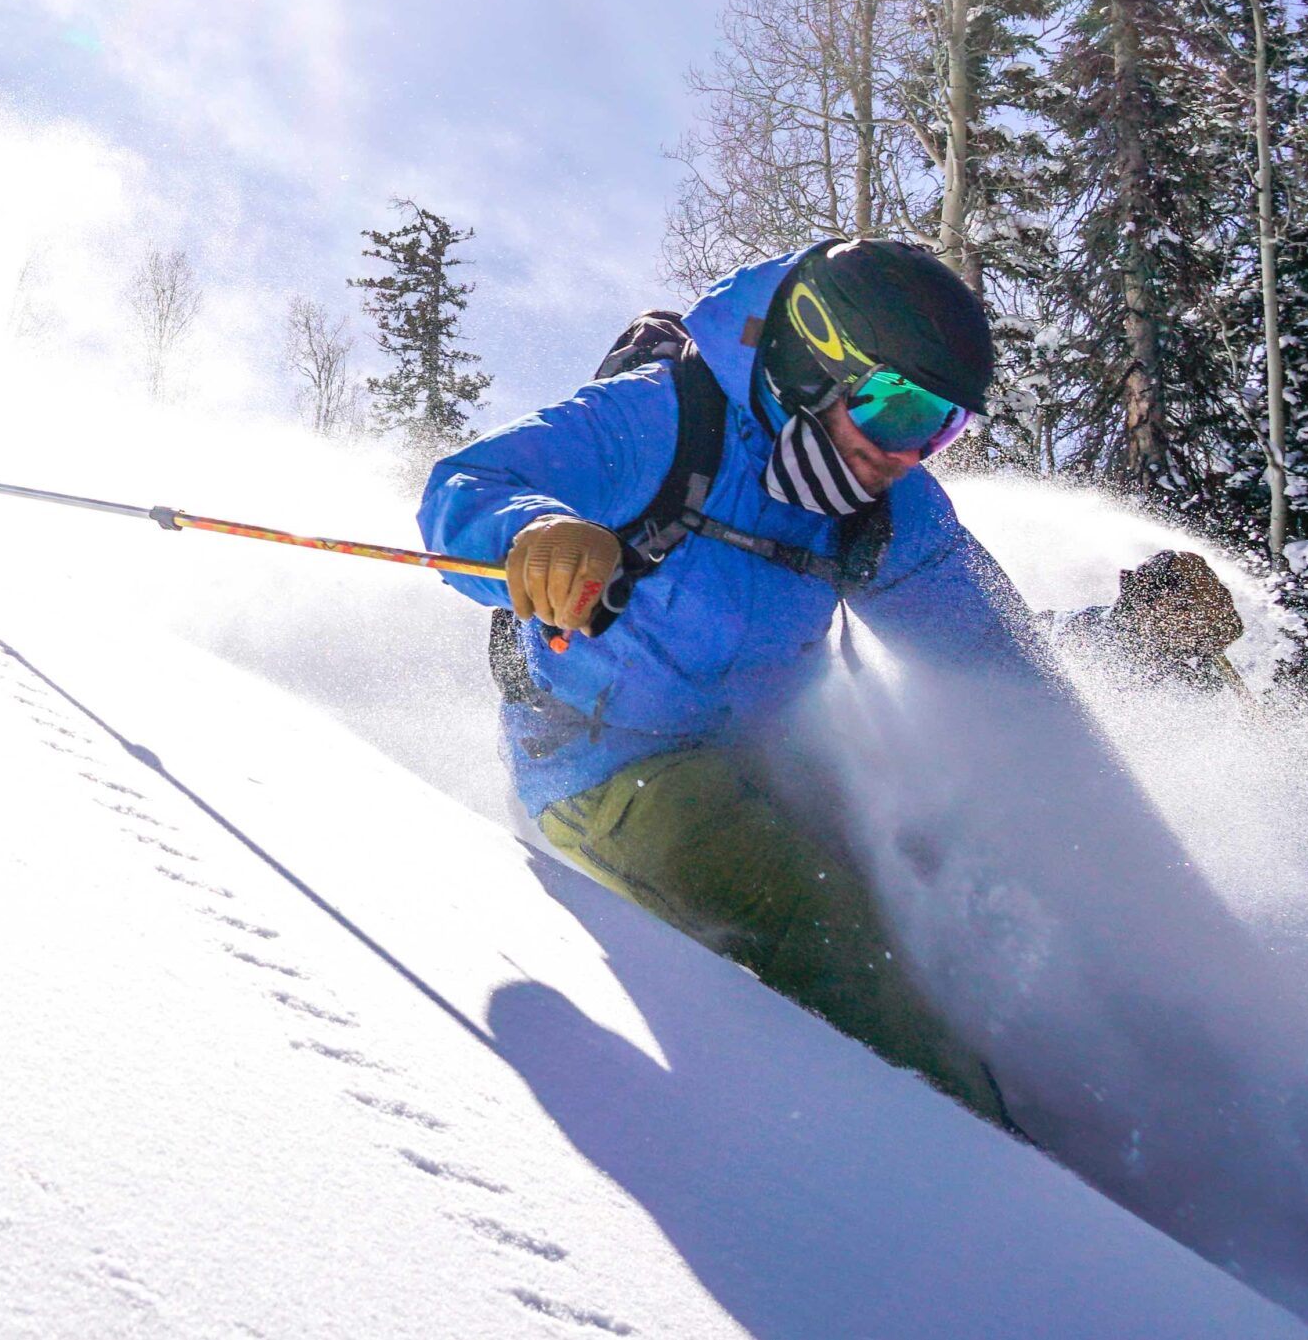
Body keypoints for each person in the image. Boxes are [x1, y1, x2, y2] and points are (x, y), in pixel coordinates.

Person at [419, 238, 1060, 1123]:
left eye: (941, 426)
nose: (912, 452)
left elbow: (992, 656)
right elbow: (470, 485)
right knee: (833, 935)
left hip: (769, 748)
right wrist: (536, 534)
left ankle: (1055, 1118)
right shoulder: (665, 419)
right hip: (607, 764)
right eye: (900, 410)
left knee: (950, 877)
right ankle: (981, 1194)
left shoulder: (881, 504)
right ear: (815, 364)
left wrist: (1113, 691)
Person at [1054, 550, 1247, 692]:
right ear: (1146, 605)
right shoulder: (1100, 634)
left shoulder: (1207, 624)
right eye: (1183, 607)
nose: (1196, 619)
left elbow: (1230, 627)